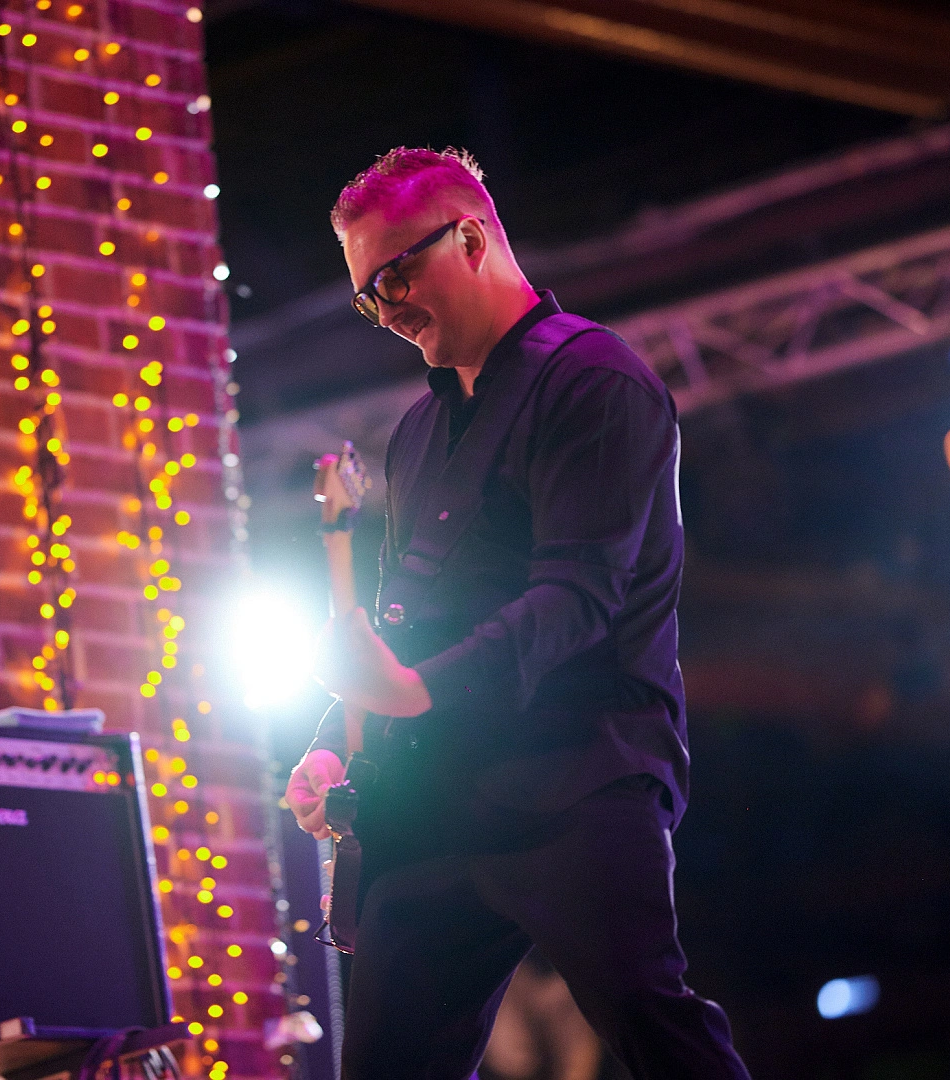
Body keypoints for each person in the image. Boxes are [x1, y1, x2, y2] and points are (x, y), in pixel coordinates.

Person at [285, 147, 751, 1080]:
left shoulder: (598, 382)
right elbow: (403, 625)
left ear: (470, 239)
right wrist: (338, 741)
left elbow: (576, 600)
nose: (386, 310)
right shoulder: (418, 432)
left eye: (394, 277)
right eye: (367, 298)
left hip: (575, 781)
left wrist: (415, 692)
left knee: (654, 1028)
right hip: (437, 800)